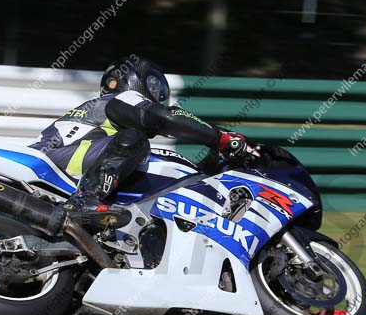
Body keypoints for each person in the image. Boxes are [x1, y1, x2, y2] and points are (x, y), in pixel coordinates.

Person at [30, 55, 257, 215]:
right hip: (55, 160)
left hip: (57, 161)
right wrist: (221, 139)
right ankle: (84, 199)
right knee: (135, 140)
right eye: (155, 88)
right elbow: (165, 118)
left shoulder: (104, 112)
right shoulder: (123, 98)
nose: (158, 97)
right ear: (136, 80)